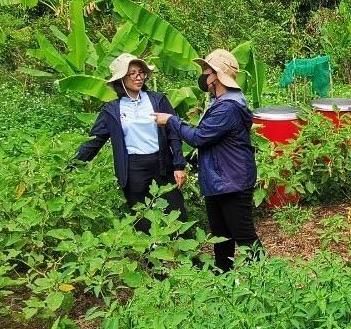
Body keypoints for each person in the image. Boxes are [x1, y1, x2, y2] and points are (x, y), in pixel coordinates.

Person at [155, 49, 261, 273]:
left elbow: (199, 137)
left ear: (217, 76)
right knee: (221, 236)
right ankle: (223, 277)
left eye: (207, 71)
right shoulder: (220, 102)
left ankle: (268, 278)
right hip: (219, 180)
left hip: (232, 181)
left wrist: (171, 121)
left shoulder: (228, 107)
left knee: (243, 235)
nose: (203, 77)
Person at [71, 53, 188, 234]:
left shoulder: (157, 100)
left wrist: (179, 165)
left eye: (141, 72)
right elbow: (95, 141)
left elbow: (174, 133)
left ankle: (188, 259)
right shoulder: (112, 110)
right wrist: (71, 164)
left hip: (162, 163)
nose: (138, 77)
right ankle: (150, 260)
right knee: (142, 219)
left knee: (177, 213)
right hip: (134, 168)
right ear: (121, 79)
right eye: (131, 73)